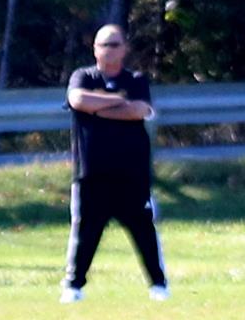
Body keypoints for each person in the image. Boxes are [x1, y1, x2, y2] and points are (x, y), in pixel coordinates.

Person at [61, 24, 167, 302]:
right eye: (104, 45)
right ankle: (73, 286)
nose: (109, 50)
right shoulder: (83, 76)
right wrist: (118, 101)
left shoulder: (136, 80)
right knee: (85, 231)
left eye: (114, 45)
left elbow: (138, 110)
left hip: (131, 173)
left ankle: (158, 285)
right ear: (95, 49)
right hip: (92, 172)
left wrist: (99, 108)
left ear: (124, 49)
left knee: (143, 230)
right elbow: (78, 99)